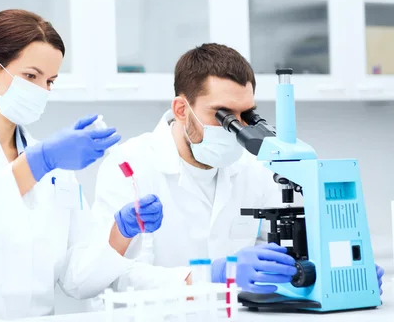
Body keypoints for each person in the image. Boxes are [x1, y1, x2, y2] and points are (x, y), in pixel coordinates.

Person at [0, 10, 191, 322]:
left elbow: (75, 279)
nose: (42, 91)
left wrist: (121, 232)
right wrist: (38, 162)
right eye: (31, 76)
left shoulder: (56, 168)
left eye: (50, 81)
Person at [92, 43, 385, 295]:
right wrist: (217, 273)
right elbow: (119, 279)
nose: (235, 128)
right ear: (182, 110)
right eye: (222, 115)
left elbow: (282, 250)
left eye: (244, 115)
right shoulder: (129, 165)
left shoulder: (253, 166)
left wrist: (340, 267)